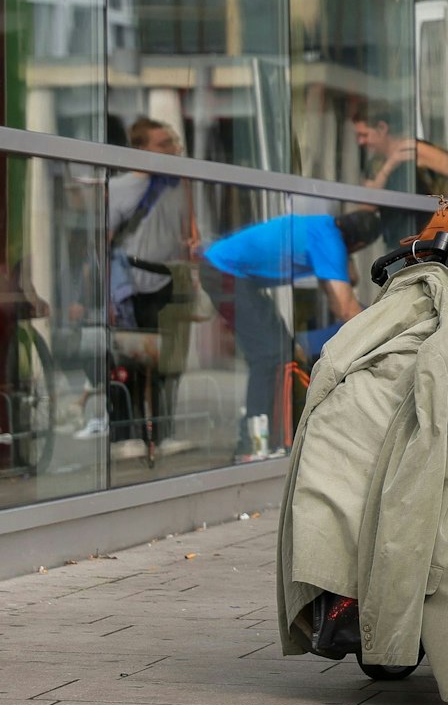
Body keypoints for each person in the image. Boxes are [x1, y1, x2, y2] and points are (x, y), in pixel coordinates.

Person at [199, 210, 379, 461]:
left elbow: (351, 279)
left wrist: (345, 255)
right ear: (359, 245)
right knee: (269, 354)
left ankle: (274, 436)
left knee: (282, 348)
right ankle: (251, 445)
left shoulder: (325, 226)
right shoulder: (329, 242)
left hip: (236, 274)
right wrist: (381, 331)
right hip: (223, 271)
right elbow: (346, 310)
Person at [107, 118, 194, 332]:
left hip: (173, 283)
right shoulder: (118, 187)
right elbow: (102, 245)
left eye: (173, 142)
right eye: (164, 144)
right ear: (141, 150)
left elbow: (190, 231)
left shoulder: (180, 183)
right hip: (133, 286)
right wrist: (106, 296)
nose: (173, 149)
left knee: (172, 350)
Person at [353, 105, 448, 203]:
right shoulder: (376, 163)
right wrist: (390, 165)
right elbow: (368, 205)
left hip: (428, 225)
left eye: (364, 135)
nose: (360, 141)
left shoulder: (414, 149)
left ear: (382, 128)